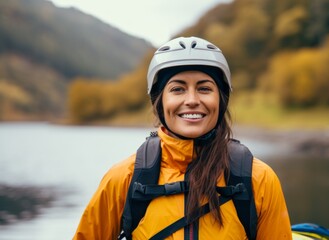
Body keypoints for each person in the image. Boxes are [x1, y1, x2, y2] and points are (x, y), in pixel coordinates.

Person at [73, 36, 292, 239]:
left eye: (204, 88)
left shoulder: (259, 180)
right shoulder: (124, 179)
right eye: (177, 89)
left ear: (221, 100)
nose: (192, 100)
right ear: (160, 102)